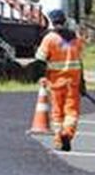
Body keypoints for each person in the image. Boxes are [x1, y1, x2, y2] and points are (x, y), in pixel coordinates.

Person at [34, 9, 87, 152]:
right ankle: (67, 134)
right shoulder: (76, 38)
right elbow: (80, 62)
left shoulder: (50, 38)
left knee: (57, 113)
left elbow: (40, 60)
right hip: (73, 82)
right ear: (64, 21)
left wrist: (41, 76)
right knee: (72, 112)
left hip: (56, 82)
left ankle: (58, 138)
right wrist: (83, 83)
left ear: (52, 21)